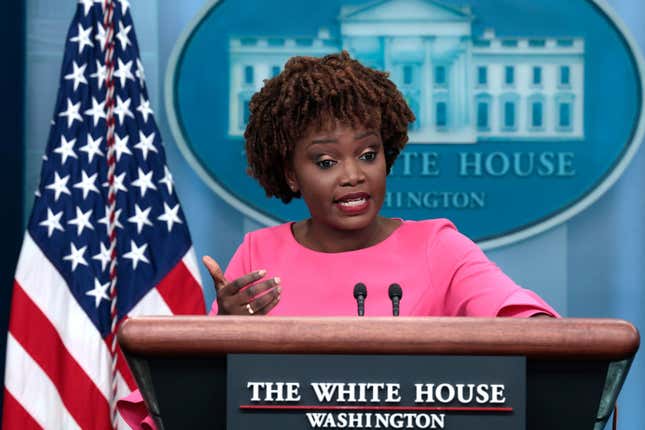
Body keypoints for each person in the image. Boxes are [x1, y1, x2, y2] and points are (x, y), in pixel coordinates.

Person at [118, 51, 557, 429]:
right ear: (292, 173)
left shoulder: (437, 246)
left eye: (368, 154)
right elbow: (203, 398)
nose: (353, 175)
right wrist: (225, 332)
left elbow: (527, 323)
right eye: (326, 161)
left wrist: (547, 339)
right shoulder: (260, 254)